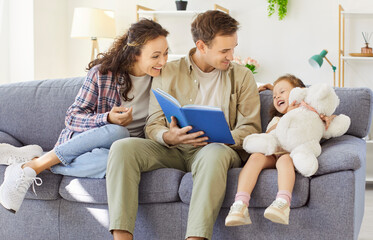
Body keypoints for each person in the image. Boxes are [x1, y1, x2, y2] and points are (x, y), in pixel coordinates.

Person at [106, 10, 261, 240]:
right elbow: (153, 123)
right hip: (173, 150)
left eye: (233, 48)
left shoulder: (242, 77)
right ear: (201, 45)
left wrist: (223, 136)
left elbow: (251, 129)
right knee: (122, 148)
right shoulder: (168, 72)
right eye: (224, 50)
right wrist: (169, 136)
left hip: (215, 150)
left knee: (215, 153)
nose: (231, 56)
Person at [0, 19, 169, 213]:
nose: (163, 61)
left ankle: (36, 160)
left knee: (117, 160)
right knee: (118, 132)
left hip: (119, 151)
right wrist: (107, 119)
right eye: (155, 56)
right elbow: (72, 118)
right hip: (86, 141)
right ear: (134, 55)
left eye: (165, 53)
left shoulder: (164, 79)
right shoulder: (103, 74)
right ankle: (34, 166)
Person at [225, 74, 306, 226]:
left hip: (289, 153)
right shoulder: (276, 119)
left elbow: (321, 114)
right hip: (271, 151)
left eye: (282, 92)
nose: (277, 97)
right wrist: (271, 89)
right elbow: (269, 136)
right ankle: (240, 205)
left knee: (285, 160)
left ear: (298, 92)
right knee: (255, 157)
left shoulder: (304, 113)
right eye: (274, 96)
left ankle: (282, 203)